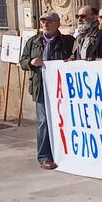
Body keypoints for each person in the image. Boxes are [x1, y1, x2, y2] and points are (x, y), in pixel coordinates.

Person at [20, 11, 75, 170]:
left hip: (62, 89)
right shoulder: (33, 42)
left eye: (49, 21)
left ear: (57, 24)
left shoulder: (68, 41)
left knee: (64, 120)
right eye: (43, 21)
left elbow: (76, 56)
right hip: (41, 87)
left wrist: (71, 60)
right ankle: (45, 156)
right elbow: (22, 61)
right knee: (44, 122)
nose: (45, 24)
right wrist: (31, 61)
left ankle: (66, 153)